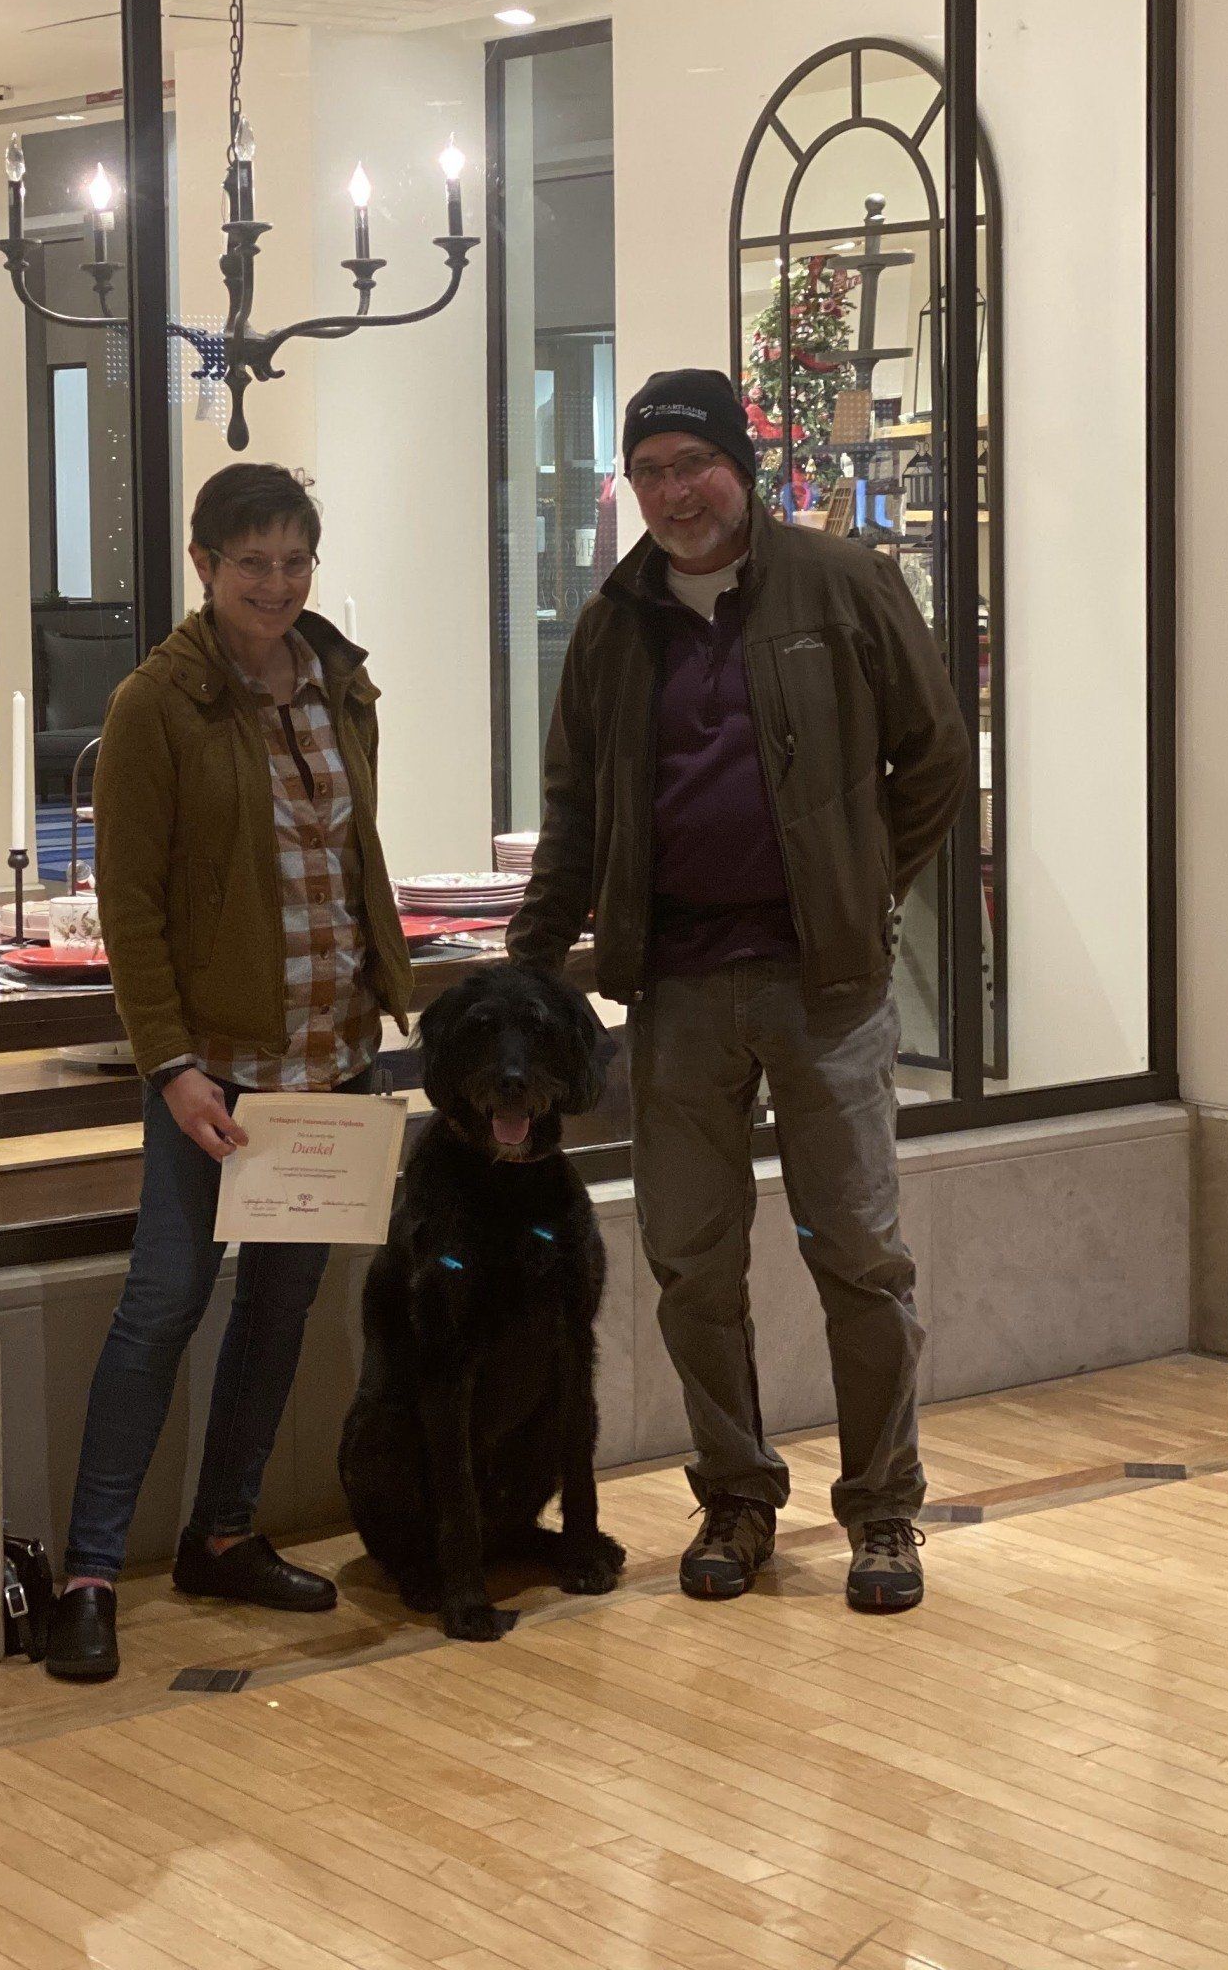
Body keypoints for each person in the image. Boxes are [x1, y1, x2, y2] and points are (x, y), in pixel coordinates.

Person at [507, 368, 972, 1613]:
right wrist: (532, 960)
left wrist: (860, 884)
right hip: (676, 992)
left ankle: (884, 1509)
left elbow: (935, 756)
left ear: (741, 467)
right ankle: (734, 1494)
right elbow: (573, 811)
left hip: (827, 984)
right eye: (649, 472)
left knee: (859, 1254)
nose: (675, 493)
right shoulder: (611, 626)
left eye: (693, 465)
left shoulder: (845, 584)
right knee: (691, 1261)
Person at [43, 462, 414, 1682]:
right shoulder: (157, 703)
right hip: (215, 1079)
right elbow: (131, 907)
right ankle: (91, 1573)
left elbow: (349, 857)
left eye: (296, 560)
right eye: (253, 562)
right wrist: (172, 1067)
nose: (277, 583)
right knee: (164, 1302)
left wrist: (381, 1005)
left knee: (281, 1305)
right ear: (203, 564)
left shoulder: (340, 682)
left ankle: (222, 1533)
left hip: (330, 1061)